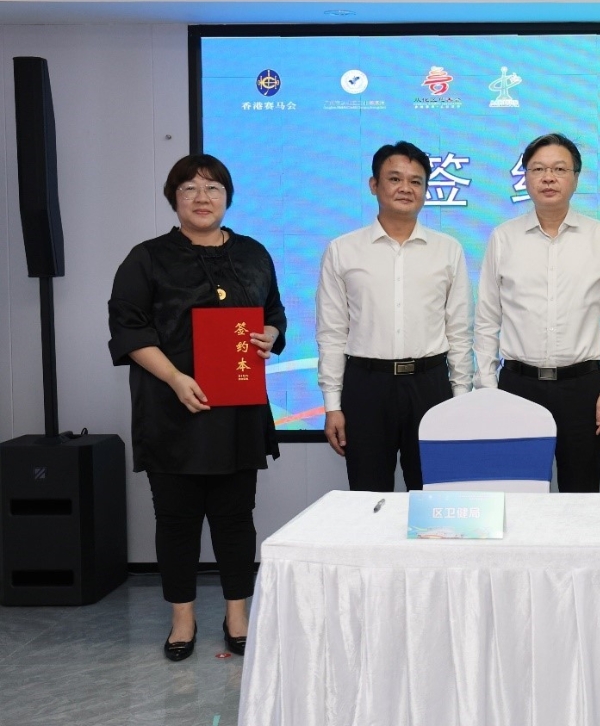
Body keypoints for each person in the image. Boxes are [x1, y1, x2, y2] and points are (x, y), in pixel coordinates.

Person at [108, 154, 286, 661]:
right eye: (189, 188)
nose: (202, 198)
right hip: (172, 411)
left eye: (213, 188)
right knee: (176, 519)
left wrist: (270, 332)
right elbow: (128, 328)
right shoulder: (147, 258)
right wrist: (174, 377)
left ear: (228, 197)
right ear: (174, 199)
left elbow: (274, 312)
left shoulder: (253, 253)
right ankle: (182, 618)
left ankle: (237, 614)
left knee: (236, 518)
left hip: (237, 414)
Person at [474, 133, 600, 492]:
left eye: (559, 169)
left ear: (575, 178)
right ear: (525, 177)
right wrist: (488, 390)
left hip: (583, 389)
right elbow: (486, 322)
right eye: (538, 169)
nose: (548, 177)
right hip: (517, 386)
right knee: (518, 493)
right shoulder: (504, 238)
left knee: (581, 493)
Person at [316, 141, 471, 492]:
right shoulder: (343, 250)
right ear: (374, 185)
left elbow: (460, 331)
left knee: (434, 496)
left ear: (426, 190)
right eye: (395, 179)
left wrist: (460, 400)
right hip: (367, 386)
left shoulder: (448, 250)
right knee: (368, 497)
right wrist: (332, 405)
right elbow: (332, 333)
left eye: (416, 181)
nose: (406, 188)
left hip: (430, 385)